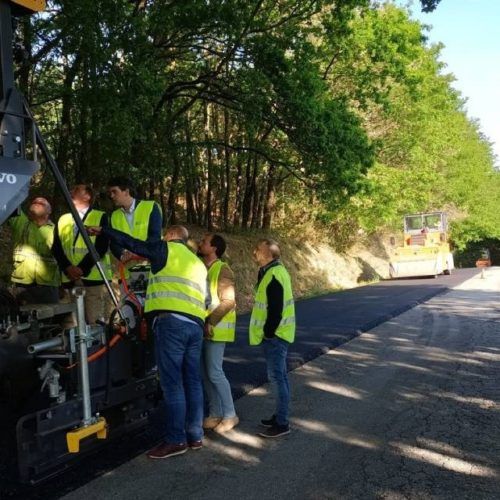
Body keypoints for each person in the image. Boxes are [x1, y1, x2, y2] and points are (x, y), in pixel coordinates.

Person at [86, 223, 207, 458]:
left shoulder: (165, 249)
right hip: (196, 327)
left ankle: (176, 440)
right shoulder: (198, 263)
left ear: (171, 235)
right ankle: (195, 435)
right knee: (192, 381)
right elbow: (207, 300)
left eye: (164, 235)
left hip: (172, 323)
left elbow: (132, 242)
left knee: (172, 384)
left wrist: (105, 231)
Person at [250, 238, 296, 438]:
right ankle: (279, 416)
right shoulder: (272, 271)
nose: (255, 252)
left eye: (258, 249)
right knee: (280, 377)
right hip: (279, 334)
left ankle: (282, 423)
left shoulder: (274, 273)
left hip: (276, 336)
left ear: (268, 254)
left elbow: (275, 309)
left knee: (277, 378)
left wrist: (268, 333)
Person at [52, 184, 111, 324]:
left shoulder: (100, 216)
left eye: (76, 190)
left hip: (92, 277)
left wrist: (82, 268)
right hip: (69, 278)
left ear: (87, 196)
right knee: (73, 322)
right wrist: (67, 267)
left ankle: (97, 347)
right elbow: (56, 247)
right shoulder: (63, 219)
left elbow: (101, 246)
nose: (71, 192)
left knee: (94, 320)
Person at [198, 233, 238, 433]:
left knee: (214, 373)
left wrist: (209, 321)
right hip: (204, 328)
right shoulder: (203, 268)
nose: (200, 243)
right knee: (206, 375)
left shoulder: (222, 269)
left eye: (204, 241)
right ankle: (215, 414)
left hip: (216, 329)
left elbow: (229, 301)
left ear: (214, 248)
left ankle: (230, 414)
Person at [8, 197, 60, 304]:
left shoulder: (57, 230)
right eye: (34, 202)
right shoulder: (21, 223)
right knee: (22, 319)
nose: (37, 202)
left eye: (42, 203)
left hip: (48, 287)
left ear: (49, 211)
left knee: (49, 319)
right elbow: (10, 201)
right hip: (22, 286)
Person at [106, 176, 162, 266]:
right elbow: (114, 243)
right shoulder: (114, 216)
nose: (111, 196)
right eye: (110, 193)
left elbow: (155, 237)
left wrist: (139, 253)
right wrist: (122, 254)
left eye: (114, 192)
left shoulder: (151, 207)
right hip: (128, 270)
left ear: (126, 192)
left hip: (150, 266)